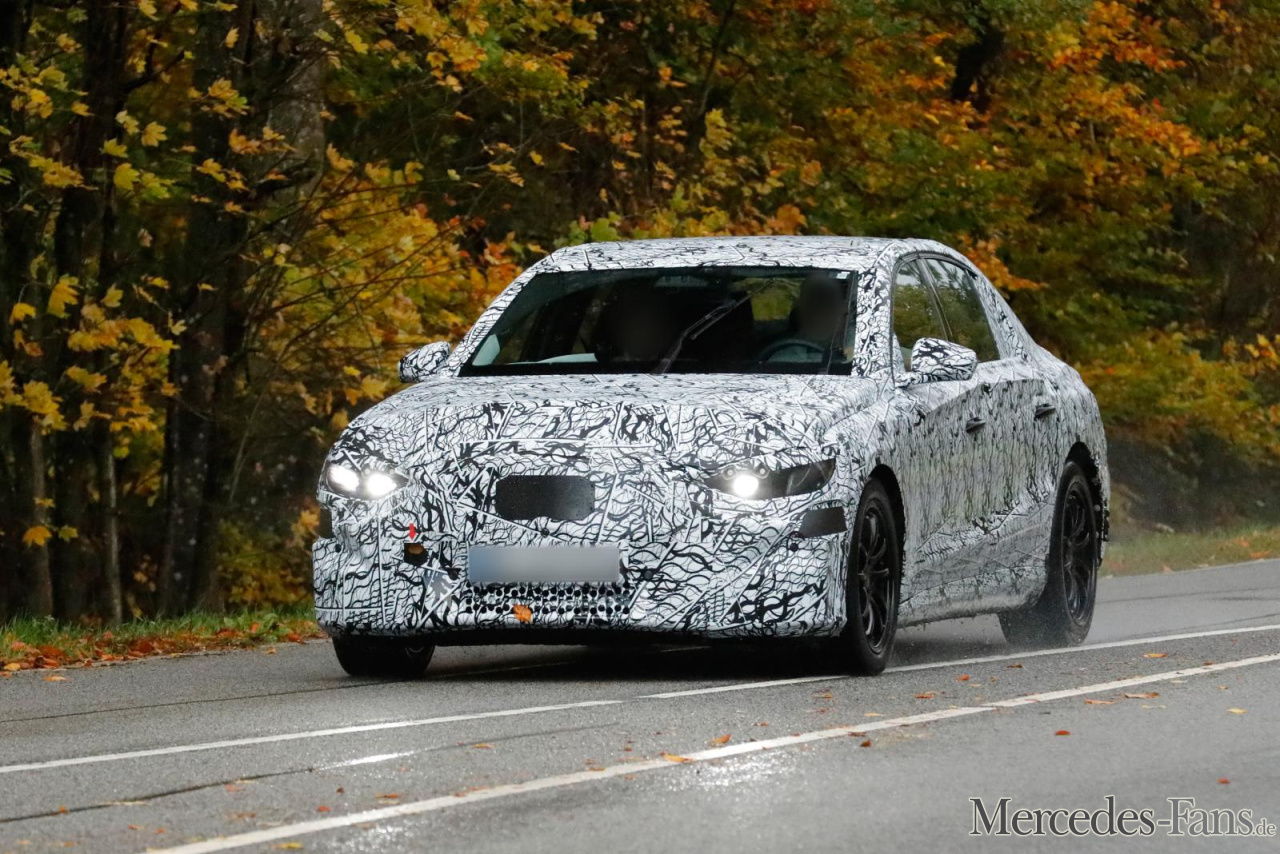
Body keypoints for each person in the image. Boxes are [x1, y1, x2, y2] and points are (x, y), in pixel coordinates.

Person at [760, 271, 848, 363]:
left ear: (844, 308)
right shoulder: (785, 356)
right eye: (810, 303)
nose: (817, 313)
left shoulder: (856, 349)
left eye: (825, 301)